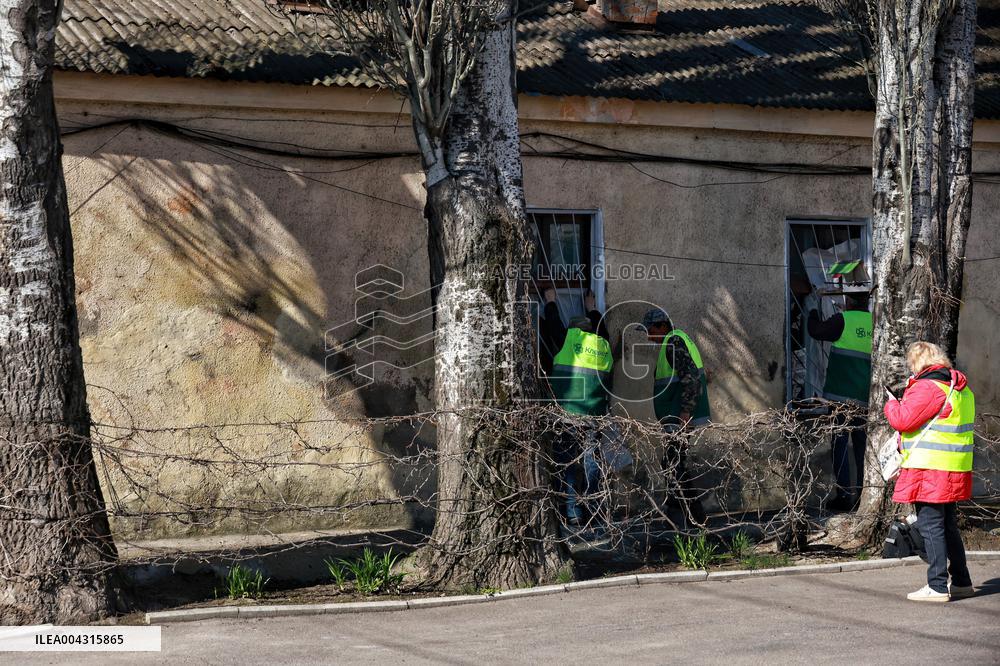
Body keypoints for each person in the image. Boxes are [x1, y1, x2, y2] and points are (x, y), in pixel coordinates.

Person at [885, 341, 975, 603]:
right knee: (948, 526)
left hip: (929, 468)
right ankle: (961, 581)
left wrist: (891, 404)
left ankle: (936, 586)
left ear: (918, 363)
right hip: (953, 467)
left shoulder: (927, 387)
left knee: (931, 526)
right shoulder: (960, 388)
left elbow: (902, 420)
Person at [541, 288, 612, 527]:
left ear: (573, 330)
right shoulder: (603, 345)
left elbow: (552, 326)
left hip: (569, 415)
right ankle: (595, 510)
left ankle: (572, 512)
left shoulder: (569, 341)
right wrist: (592, 306)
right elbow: (601, 329)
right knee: (593, 462)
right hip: (595, 415)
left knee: (569, 464)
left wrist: (550, 301)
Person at [643, 308, 710, 525]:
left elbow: (690, 378)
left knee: (672, 463)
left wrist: (685, 414)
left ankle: (685, 516)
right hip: (676, 415)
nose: (648, 336)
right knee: (673, 462)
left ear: (662, 326)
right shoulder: (675, 341)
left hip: (679, 416)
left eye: (651, 330)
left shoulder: (673, 343)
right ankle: (691, 516)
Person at [808, 293, 872, 511]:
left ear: (848, 301)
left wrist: (813, 309)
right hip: (866, 398)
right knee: (863, 448)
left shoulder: (843, 320)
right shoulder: (876, 322)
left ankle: (844, 496)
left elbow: (815, 331)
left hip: (841, 398)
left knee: (841, 446)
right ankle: (866, 495)